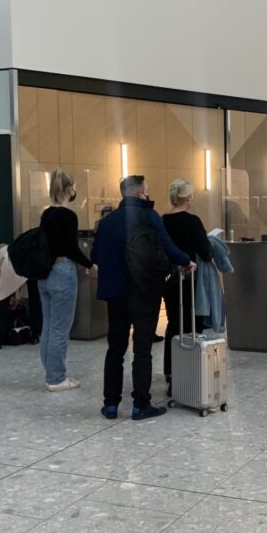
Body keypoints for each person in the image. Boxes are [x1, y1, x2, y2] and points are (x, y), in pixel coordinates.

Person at [92, 175, 192, 421]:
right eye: (146, 192)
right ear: (139, 194)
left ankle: (111, 405)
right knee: (142, 348)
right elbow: (167, 246)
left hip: (116, 293)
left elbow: (95, 255)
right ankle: (140, 405)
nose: (148, 195)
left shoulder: (106, 222)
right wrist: (186, 261)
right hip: (144, 290)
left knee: (115, 348)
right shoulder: (150, 216)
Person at [38, 169, 96, 391]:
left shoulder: (46, 214)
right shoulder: (68, 216)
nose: (75, 190)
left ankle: (50, 373)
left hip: (45, 274)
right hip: (63, 272)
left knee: (49, 326)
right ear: (67, 189)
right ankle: (57, 378)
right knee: (61, 329)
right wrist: (91, 265)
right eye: (73, 186)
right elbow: (71, 248)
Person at [162, 178, 212, 395]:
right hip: (191, 279)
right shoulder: (192, 221)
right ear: (189, 197)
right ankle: (190, 372)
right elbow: (206, 252)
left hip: (170, 280)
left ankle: (170, 371)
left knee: (173, 324)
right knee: (193, 325)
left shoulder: (162, 220)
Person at [0, 244, 30, 347]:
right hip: (26, 264)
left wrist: (0, 296)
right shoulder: (14, 250)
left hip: (8, 265)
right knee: (24, 305)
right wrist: (18, 298)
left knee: (2, 305)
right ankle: (32, 334)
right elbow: (20, 281)